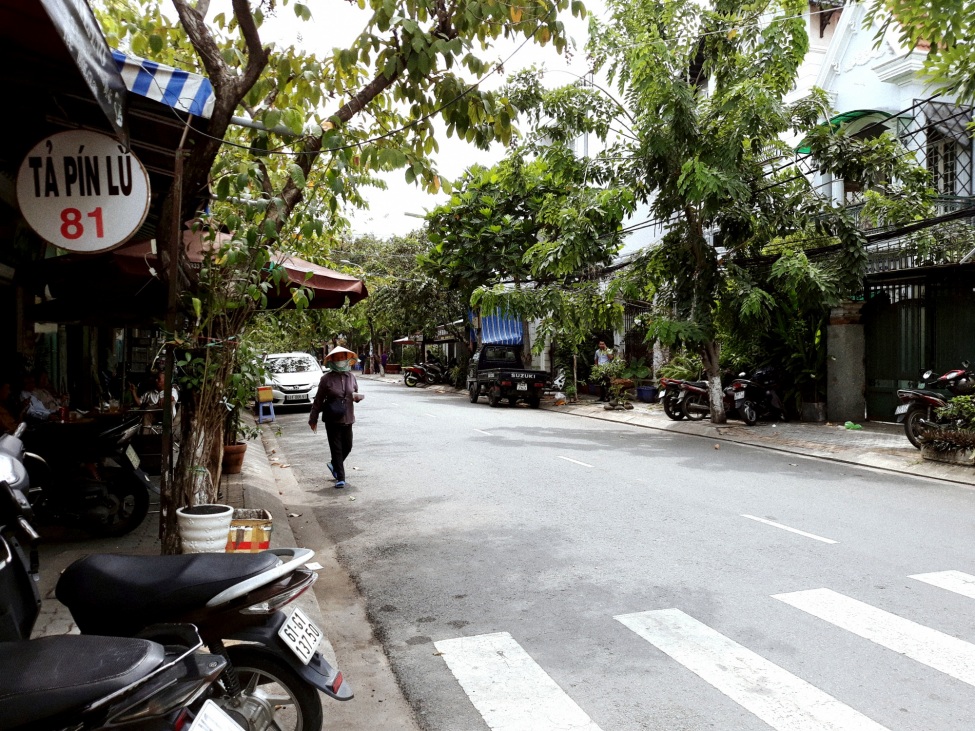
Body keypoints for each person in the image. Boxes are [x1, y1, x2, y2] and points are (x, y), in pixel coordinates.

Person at [309, 346, 364, 488]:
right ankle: (341, 477)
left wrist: (357, 398)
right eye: (337, 358)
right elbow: (318, 400)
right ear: (332, 360)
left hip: (348, 417)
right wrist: (313, 418)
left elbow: (354, 393)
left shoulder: (351, 377)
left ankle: (334, 464)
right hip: (332, 419)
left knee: (348, 446)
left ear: (347, 359)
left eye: (343, 357)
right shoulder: (326, 379)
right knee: (337, 448)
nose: (340, 360)